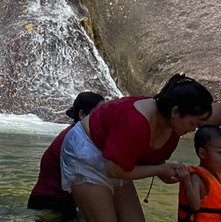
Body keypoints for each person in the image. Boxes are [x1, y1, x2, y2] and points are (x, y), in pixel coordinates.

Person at [60, 74, 214, 222]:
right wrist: (159, 169)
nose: (194, 129)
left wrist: (165, 173)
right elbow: (114, 170)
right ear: (175, 111)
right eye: (194, 124)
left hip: (117, 159)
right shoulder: (135, 121)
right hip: (86, 151)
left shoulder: (171, 124)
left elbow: (136, 164)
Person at [28, 92, 105, 220]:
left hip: (52, 203)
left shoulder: (76, 134)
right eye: (101, 113)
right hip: (50, 204)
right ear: (82, 115)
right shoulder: (74, 139)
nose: (106, 118)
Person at [179, 125, 221, 221]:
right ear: (202, 153)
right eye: (220, 153)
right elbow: (195, 206)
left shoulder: (217, 176)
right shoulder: (196, 177)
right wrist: (186, 182)